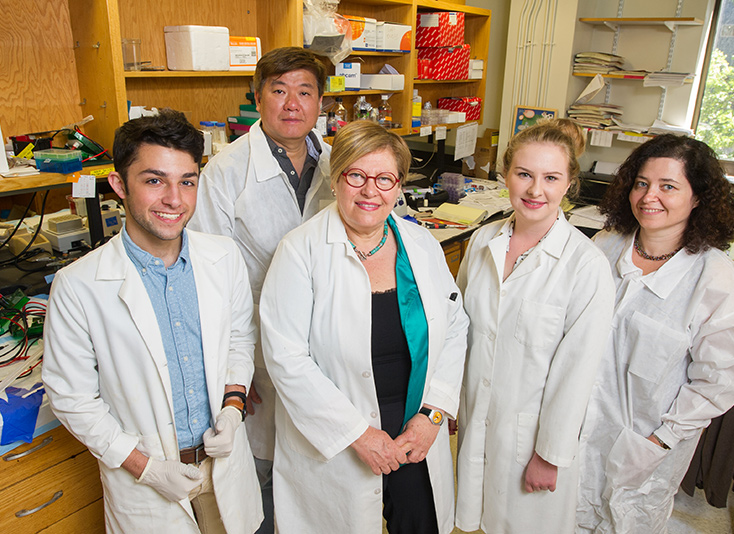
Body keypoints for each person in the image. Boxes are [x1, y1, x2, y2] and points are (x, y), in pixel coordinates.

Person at [42, 110, 263, 534]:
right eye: (154, 180)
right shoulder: (79, 285)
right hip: (147, 484)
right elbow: (72, 399)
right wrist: (146, 469)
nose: (174, 200)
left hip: (224, 468)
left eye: (187, 181)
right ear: (119, 185)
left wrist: (233, 409)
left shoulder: (223, 257)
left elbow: (239, 340)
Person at [259, 120, 469, 533]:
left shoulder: (420, 244)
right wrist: (357, 435)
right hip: (341, 434)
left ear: (399, 185)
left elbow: (456, 325)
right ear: (336, 180)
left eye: (384, 178)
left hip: (415, 428)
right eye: (356, 175)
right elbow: (286, 358)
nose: (370, 191)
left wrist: (433, 415)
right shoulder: (300, 252)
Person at [576, 134, 734, 534]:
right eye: (641, 183)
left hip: (644, 446)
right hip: (572, 431)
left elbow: (722, 377)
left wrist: (661, 441)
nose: (648, 197)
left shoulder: (713, 277)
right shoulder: (605, 246)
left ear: (698, 198)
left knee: (623, 523)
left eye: (668, 186)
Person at [187, 46, 333, 533]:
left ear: (320, 103)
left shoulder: (339, 167)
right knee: (266, 474)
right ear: (257, 97)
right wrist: (232, 375)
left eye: (305, 91)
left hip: (329, 348)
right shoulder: (225, 173)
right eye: (279, 90)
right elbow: (209, 284)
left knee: (324, 469)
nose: (292, 103)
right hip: (261, 362)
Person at [455, 119, 615, 533]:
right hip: (476, 422)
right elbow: (459, 331)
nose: (534, 190)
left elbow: (577, 372)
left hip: (533, 441)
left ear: (569, 184)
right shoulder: (482, 240)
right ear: (505, 174)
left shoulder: (586, 265)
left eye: (550, 177)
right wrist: (449, 401)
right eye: (523, 174)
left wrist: (550, 453)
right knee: (474, 520)